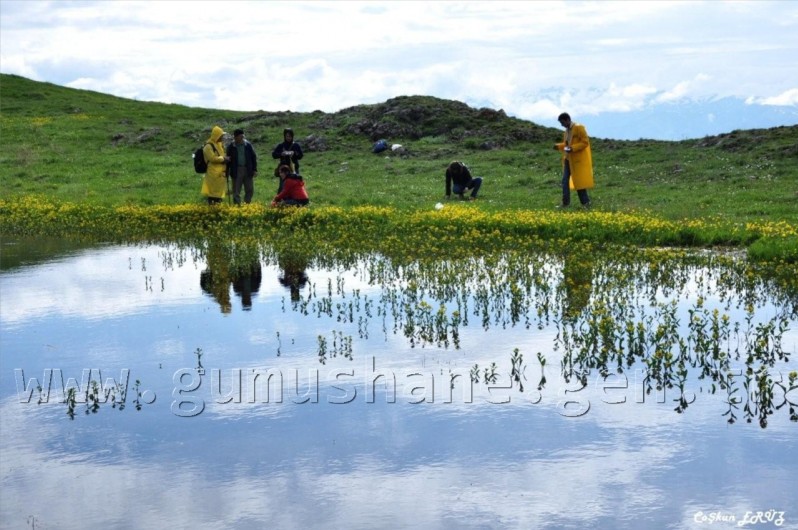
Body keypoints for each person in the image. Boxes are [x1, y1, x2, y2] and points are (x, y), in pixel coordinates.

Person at [553, 112, 594, 208]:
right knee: (565, 181)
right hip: (568, 159)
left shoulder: (579, 127)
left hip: (577, 161)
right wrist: (558, 146)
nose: (561, 125)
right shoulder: (566, 131)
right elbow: (566, 145)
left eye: (562, 123)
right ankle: (565, 203)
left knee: (579, 182)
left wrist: (572, 148)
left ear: (567, 120)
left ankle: (586, 203)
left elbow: (585, 142)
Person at [226, 128, 258, 205]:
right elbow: (228, 159)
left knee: (249, 189)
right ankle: (237, 206)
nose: (241, 138)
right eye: (239, 137)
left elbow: (253, 157)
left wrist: (254, 169)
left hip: (247, 169)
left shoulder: (248, 145)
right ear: (235, 137)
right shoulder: (231, 146)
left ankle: (247, 204)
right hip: (236, 169)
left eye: (242, 136)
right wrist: (227, 171)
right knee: (236, 189)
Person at [201, 125, 231, 205]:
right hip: (213, 173)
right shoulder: (208, 146)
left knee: (219, 194)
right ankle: (212, 208)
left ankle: (217, 208)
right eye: (221, 135)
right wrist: (224, 159)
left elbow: (221, 155)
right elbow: (212, 158)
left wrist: (225, 158)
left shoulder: (219, 144)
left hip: (221, 173)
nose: (222, 137)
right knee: (213, 194)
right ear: (217, 135)